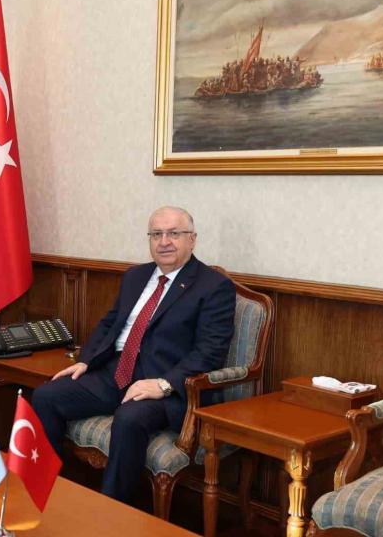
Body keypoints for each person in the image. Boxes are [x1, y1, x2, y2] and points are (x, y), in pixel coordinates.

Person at [32, 206, 235, 504]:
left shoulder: (214, 287)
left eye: (174, 233)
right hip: (116, 372)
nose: (164, 242)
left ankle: (113, 511)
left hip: (167, 386)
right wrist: (85, 360)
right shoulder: (136, 276)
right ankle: (46, 494)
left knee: (128, 418)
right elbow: (109, 323)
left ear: (192, 239)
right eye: (156, 234)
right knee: (45, 396)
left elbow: (210, 352)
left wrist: (163, 384)